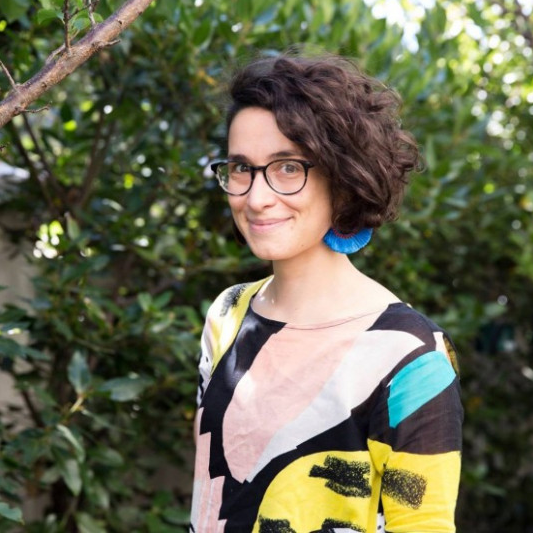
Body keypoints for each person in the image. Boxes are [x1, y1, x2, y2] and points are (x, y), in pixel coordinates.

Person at [190, 54, 463, 533]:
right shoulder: (227, 313)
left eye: (287, 167)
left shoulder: (410, 355)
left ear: (342, 177)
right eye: (241, 168)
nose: (256, 198)